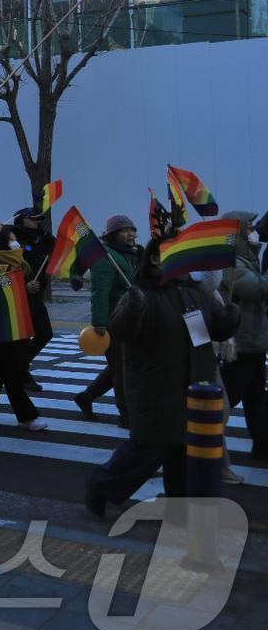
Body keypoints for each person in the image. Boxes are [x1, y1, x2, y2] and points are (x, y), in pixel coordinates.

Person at [85, 237, 240, 517]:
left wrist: (230, 315)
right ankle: (100, 486)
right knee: (145, 450)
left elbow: (216, 329)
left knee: (181, 452)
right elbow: (121, 331)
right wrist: (131, 306)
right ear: (155, 260)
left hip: (192, 387)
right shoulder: (143, 294)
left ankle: (177, 506)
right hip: (155, 390)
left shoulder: (194, 293)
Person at [74, 215, 142, 426]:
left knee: (119, 366)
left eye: (132, 229)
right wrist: (100, 323)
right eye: (124, 230)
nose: (130, 234)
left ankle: (86, 397)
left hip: (133, 320)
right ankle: (126, 415)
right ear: (113, 234)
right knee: (122, 370)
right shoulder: (105, 256)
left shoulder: (133, 253)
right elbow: (99, 292)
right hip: (115, 322)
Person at [0, 226, 47, 431]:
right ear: (2, 243)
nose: (15, 243)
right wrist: (23, 288)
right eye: (11, 240)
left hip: (20, 324)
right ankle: (26, 416)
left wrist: (31, 288)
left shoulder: (21, 263)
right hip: (3, 328)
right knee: (13, 373)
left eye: (15, 239)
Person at [219, 210, 268, 461]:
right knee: (228, 396)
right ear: (237, 231)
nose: (254, 230)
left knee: (256, 398)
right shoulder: (230, 262)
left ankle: (262, 445)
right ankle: (193, 438)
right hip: (240, 343)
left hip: (254, 341)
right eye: (248, 227)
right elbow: (257, 289)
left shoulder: (248, 257)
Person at [13, 207, 55, 392]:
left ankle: (18, 368)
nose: (36, 222)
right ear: (21, 220)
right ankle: (19, 372)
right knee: (22, 339)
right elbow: (2, 270)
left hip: (36, 295)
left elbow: (58, 248)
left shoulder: (41, 238)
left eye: (38, 219)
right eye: (32, 219)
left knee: (45, 333)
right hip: (19, 297)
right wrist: (24, 285)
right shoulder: (13, 240)